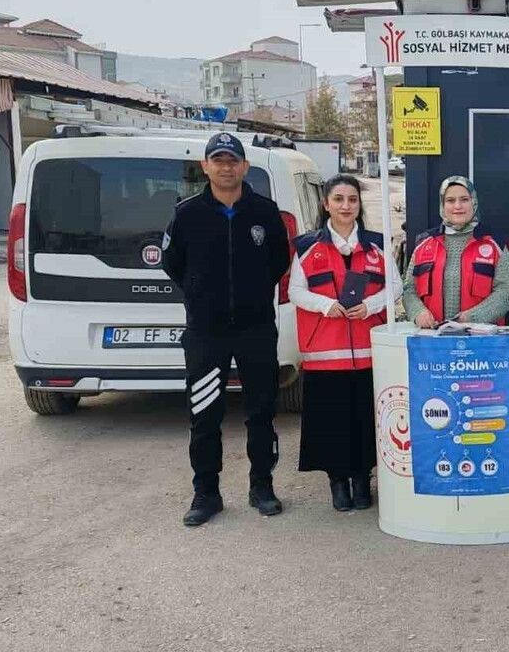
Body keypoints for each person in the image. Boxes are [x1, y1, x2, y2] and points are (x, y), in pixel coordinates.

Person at [162, 132, 291, 527]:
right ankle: (206, 493)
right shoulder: (187, 215)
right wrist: (204, 296)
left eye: (232, 160)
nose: (226, 166)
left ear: (244, 166)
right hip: (206, 333)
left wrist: (250, 295)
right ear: (205, 166)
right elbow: (174, 265)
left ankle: (262, 486)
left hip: (255, 330)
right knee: (204, 415)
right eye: (217, 160)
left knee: (261, 413)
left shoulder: (265, 212)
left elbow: (278, 262)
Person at [289, 175, 398, 512]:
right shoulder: (307, 247)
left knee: (365, 419)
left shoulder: (378, 245)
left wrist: (372, 305)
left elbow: (394, 288)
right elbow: (295, 291)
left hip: (369, 351)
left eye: (352, 200)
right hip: (324, 351)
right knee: (332, 422)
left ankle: (363, 479)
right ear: (326, 204)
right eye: (339, 199)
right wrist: (326, 305)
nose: (346, 206)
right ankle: (338, 481)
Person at [403, 176, 509, 329]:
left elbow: (505, 291)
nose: (458, 206)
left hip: (481, 340)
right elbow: (409, 290)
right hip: (433, 340)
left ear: (474, 202)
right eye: (450, 200)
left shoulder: (494, 243)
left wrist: (471, 318)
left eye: (464, 199)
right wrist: (418, 312)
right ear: (442, 204)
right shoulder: (424, 244)